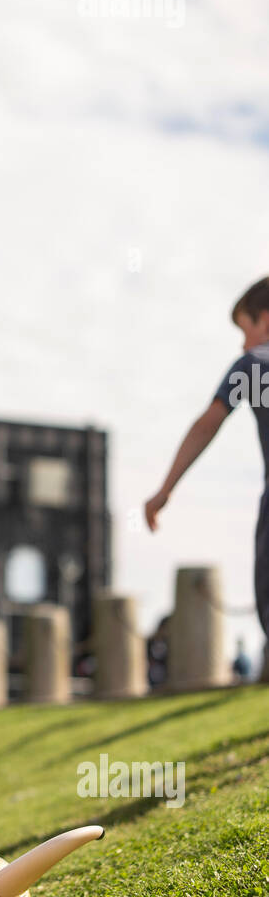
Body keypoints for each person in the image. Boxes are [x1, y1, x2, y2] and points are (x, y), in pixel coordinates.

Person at [145, 276, 269, 651]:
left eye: (244, 328)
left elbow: (206, 426)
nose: (242, 340)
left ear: (265, 319)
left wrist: (164, 491)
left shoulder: (254, 366)